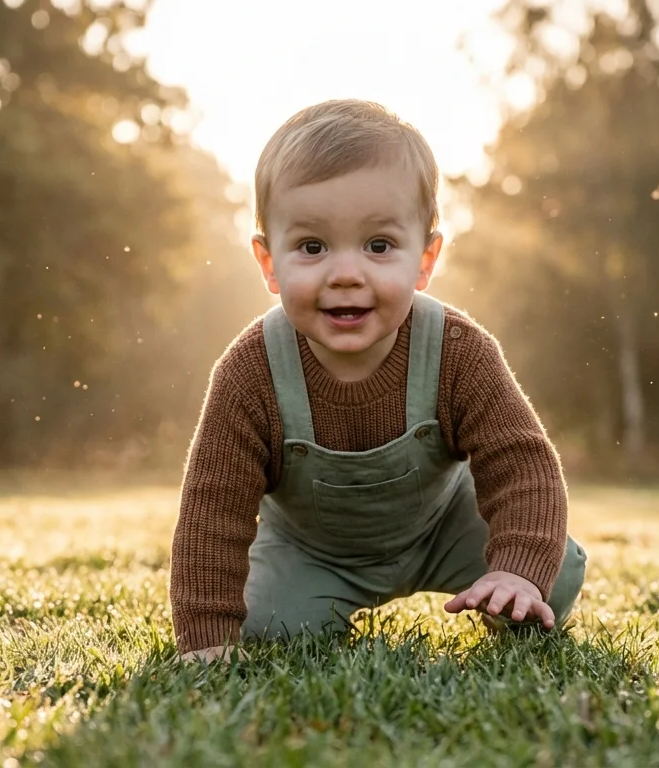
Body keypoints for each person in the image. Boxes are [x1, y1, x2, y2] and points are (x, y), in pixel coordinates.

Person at [169, 99, 586, 662]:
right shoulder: (251, 372)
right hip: (313, 551)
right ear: (269, 263)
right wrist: (207, 639)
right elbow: (212, 509)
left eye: (379, 246)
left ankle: (504, 591)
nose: (346, 273)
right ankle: (307, 598)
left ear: (425, 258)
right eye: (312, 247)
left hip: (445, 530)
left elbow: (522, 463)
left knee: (551, 576)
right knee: (270, 625)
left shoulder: (460, 352)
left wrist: (517, 570)